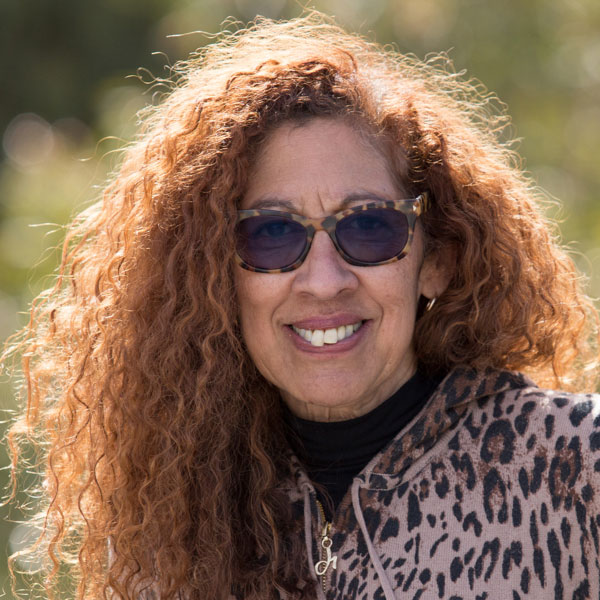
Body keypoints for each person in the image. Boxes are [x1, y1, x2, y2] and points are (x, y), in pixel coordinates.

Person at [6, 12, 600, 600]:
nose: (324, 281)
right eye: (271, 233)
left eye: (369, 226)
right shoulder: (174, 536)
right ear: (215, 275)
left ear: (436, 259)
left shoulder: (578, 466)